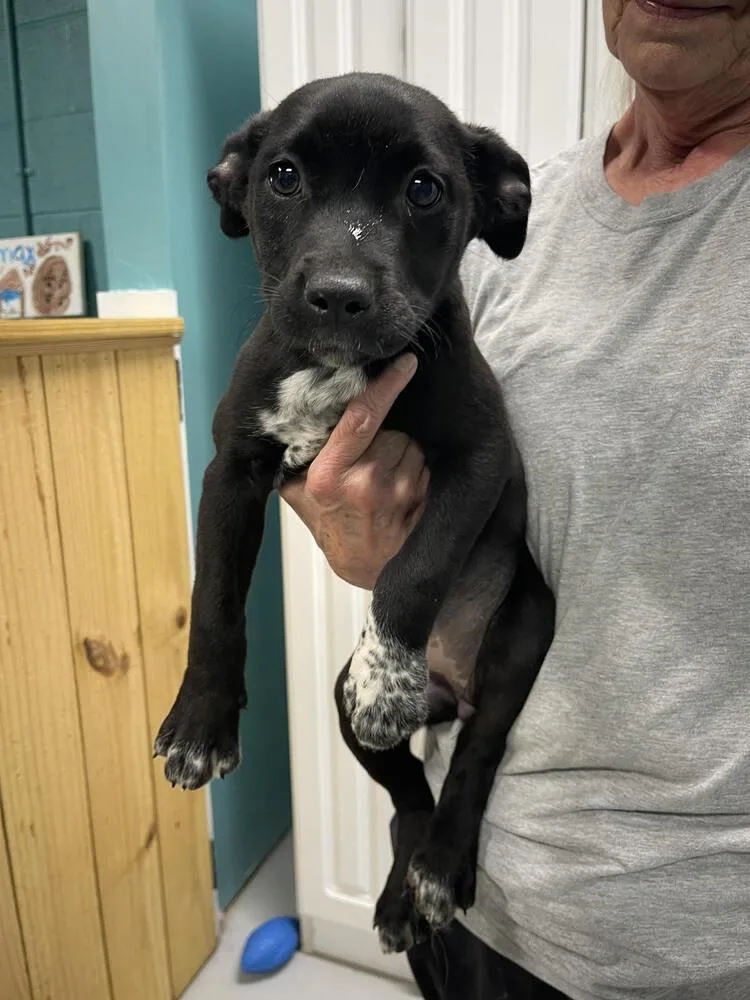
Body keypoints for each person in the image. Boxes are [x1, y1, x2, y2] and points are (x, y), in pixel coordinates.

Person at [281, 1, 750, 997]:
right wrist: (366, 536)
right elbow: (404, 489)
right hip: (469, 899)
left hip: (696, 949)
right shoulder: (497, 220)